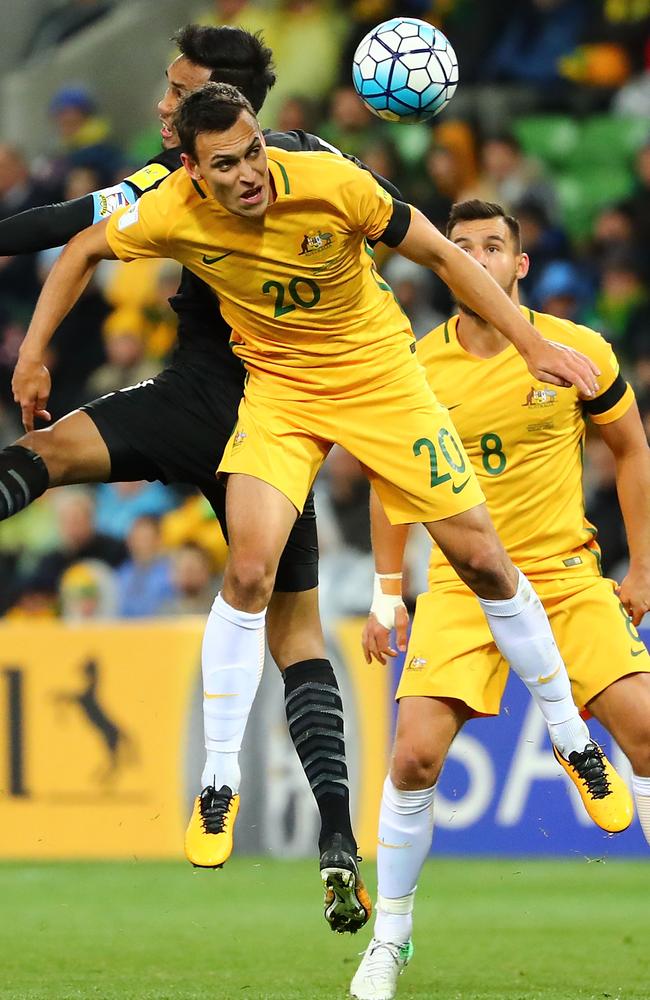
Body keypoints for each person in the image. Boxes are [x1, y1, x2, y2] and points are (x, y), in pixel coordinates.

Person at [14, 84, 630, 912]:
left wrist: (529, 345)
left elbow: (444, 260)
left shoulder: (334, 184)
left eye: (253, 151)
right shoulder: (169, 211)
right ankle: (219, 780)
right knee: (249, 573)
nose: (248, 174)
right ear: (192, 173)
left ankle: (567, 736)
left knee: (483, 558)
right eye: (225, 164)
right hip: (281, 400)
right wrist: (35, 356)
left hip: (382, 385)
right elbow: (85, 247)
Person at [0, 24, 397, 934]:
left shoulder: (227, 170)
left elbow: (72, 228)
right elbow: (78, 237)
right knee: (290, 627)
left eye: (177, 92)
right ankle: (336, 839)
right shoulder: (251, 168)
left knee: (274, 605)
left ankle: (324, 834)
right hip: (240, 404)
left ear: (225, 98)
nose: (161, 107)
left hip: (250, 408)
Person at [351, 200, 650, 1000]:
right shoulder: (415, 366)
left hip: (561, 574)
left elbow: (632, 448)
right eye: (460, 246)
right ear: (441, 263)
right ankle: (390, 941)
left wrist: (644, 566)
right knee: (412, 755)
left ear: (520, 265)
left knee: (649, 731)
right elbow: (391, 485)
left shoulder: (577, 348)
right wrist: (388, 593)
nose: (476, 256)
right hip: (458, 585)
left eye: (493, 245)